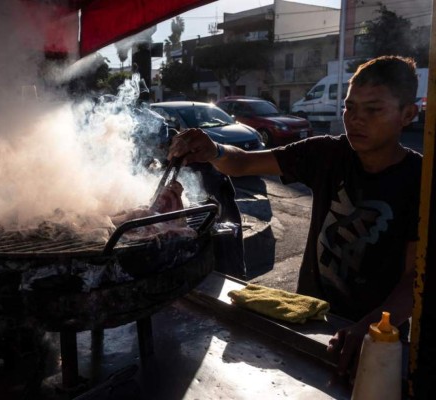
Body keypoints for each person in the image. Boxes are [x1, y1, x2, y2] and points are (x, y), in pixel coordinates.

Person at [167, 55, 423, 381]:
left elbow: (415, 278)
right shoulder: (327, 154)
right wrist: (214, 149)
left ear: (407, 115)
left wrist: (372, 329)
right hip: (307, 318)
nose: (356, 119)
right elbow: (243, 164)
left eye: (373, 110)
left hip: (377, 340)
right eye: (350, 107)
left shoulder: (418, 180)